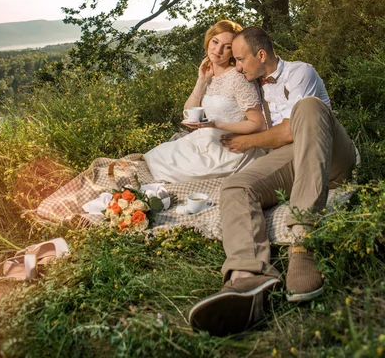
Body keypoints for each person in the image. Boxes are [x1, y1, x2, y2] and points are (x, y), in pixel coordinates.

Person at [189, 26, 357, 336]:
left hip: (331, 154)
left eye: (240, 59)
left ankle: (302, 243)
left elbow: (293, 130)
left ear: (261, 55)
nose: (237, 66)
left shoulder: (300, 72)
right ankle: (247, 278)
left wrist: (249, 142)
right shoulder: (253, 86)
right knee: (236, 186)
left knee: (307, 108)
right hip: (290, 159)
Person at [144, 20, 266, 182]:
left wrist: (216, 125)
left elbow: (258, 124)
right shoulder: (209, 74)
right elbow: (188, 113)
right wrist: (201, 81)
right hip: (205, 140)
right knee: (157, 156)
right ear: (209, 40)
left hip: (230, 148)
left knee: (180, 172)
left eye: (227, 46)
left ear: (234, 51)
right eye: (215, 42)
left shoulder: (239, 79)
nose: (218, 50)